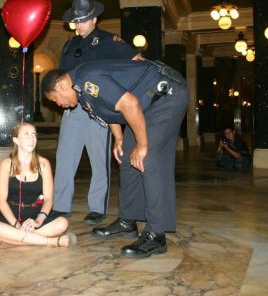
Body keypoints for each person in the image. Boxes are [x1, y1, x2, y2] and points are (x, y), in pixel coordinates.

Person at [42, 59, 189, 258]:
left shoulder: (87, 79)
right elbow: (109, 109)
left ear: (61, 86)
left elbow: (130, 103)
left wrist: (143, 145)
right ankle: (127, 221)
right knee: (127, 156)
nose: (58, 105)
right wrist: (119, 138)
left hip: (167, 95)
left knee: (147, 159)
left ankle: (156, 234)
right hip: (147, 102)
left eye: (55, 99)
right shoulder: (81, 89)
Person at [54, 0, 139, 226]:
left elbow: (137, 61)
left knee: (99, 160)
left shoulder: (110, 40)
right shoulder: (70, 45)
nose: (78, 26)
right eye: (75, 22)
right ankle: (60, 206)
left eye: (82, 21)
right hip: (73, 109)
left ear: (94, 19)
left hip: (99, 109)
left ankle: (97, 208)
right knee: (64, 158)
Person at [0, 122, 76, 248]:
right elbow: (0, 201)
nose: (32, 138)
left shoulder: (44, 164)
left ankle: (6, 237)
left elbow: (49, 199)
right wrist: (16, 224)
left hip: (36, 213)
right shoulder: (6, 164)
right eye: (26, 134)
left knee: (62, 223)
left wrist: (38, 220)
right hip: (12, 214)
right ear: (16, 140)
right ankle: (54, 242)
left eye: (34, 134)